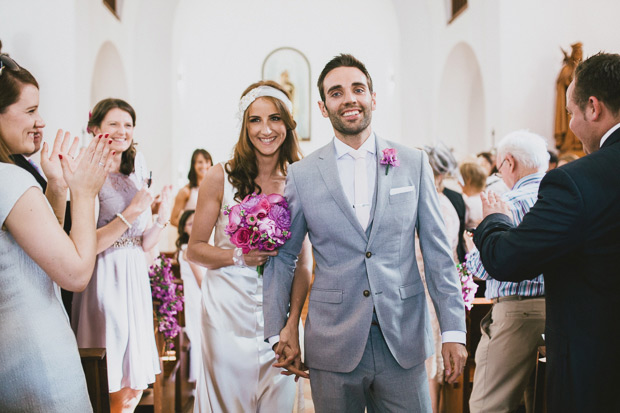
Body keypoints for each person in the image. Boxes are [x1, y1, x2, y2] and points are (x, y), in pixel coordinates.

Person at [263, 53, 467, 412]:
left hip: (403, 339)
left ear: (373, 98)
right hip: (333, 342)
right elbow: (285, 257)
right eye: (337, 92)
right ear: (324, 107)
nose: (349, 99)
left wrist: (453, 331)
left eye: (358, 89)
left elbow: (438, 254)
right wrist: (280, 329)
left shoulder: (413, 162)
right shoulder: (303, 174)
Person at [474, 52, 620, 412]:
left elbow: (507, 259)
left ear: (593, 107)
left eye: (570, 114)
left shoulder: (578, 181)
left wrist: (494, 218)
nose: (569, 125)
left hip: (598, 364)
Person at [187, 80, 313, 412]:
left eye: (274, 118)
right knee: (228, 402)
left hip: (278, 313)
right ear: (244, 126)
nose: (265, 129)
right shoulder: (220, 177)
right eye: (255, 120)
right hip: (226, 311)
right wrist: (240, 256)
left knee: (278, 401)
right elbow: (195, 248)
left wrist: (292, 321)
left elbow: (303, 264)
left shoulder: (299, 182)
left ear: (287, 124)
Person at [0, 53, 113, 412]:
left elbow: (34, 247)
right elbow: (75, 273)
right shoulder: (10, 180)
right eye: (30, 110)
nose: (41, 120)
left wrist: (58, 186)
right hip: (38, 358)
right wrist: (84, 193)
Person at [71, 98, 173, 413]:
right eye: (113, 124)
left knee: (134, 386)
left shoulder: (135, 165)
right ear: (95, 128)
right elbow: (87, 244)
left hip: (134, 276)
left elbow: (143, 244)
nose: (122, 131)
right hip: (104, 277)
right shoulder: (86, 171)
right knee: (110, 379)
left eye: (128, 125)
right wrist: (132, 212)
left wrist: (162, 216)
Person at [467, 130, 548, 413]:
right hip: (557, 309)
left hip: (516, 314)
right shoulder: (558, 200)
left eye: (499, 168)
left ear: (510, 163)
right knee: (537, 401)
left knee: (488, 405)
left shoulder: (508, 205)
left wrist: (473, 246)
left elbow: (486, 266)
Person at [421, 144, 461, 413]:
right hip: (434, 290)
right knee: (429, 367)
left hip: (425, 291)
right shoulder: (445, 202)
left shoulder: (433, 203)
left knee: (427, 368)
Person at [175, 209, 205, 384]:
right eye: (190, 224)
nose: (194, 227)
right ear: (183, 228)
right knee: (199, 335)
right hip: (196, 296)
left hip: (197, 295)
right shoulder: (187, 249)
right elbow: (200, 280)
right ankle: (200, 381)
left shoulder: (193, 247)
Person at [170, 148, 212, 227]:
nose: (204, 166)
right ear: (193, 165)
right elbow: (173, 219)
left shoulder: (214, 190)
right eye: (200, 162)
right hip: (191, 238)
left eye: (207, 162)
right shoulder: (186, 191)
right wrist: (191, 229)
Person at [554, 42, 583, 154]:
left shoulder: (583, 69)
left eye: (580, 52)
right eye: (577, 52)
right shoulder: (566, 69)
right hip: (569, 103)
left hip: (581, 104)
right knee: (570, 120)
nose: (579, 55)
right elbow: (562, 83)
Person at [459, 161, 487, 229]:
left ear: (468, 180)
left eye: (460, 179)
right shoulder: (487, 199)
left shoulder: (467, 203)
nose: (458, 182)